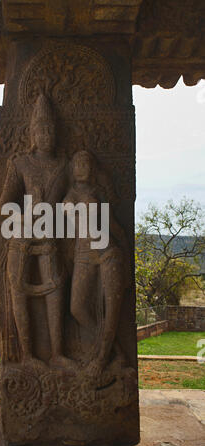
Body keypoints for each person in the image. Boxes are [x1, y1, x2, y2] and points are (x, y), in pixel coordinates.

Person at [0, 94, 76, 372]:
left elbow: (73, 199)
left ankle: (57, 353)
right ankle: (28, 354)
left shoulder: (66, 166)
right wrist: (25, 215)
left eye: (51, 129)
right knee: (19, 291)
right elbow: (4, 206)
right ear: (32, 133)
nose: (46, 135)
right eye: (41, 129)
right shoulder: (20, 164)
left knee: (56, 290)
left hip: (51, 237)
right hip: (22, 237)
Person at [63, 150, 130, 377]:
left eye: (87, 163)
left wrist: (127, 264)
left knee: (111, 311)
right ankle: (115, 350)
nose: (82, 167)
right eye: (78, 163)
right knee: (77, 308)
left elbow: (114, 226)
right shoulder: (69, 195)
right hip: (83, 253)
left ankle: (101, 358)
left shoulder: (98, 193)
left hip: (107, 251)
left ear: (92, 168)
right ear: (72, 168)